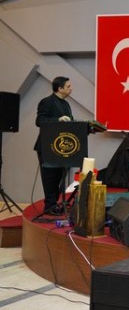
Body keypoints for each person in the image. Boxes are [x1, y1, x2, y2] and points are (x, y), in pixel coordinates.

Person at [34, 76, 74, 215]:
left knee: (58, 177)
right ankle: (49, 206)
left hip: (61, 148)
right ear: (60, 88)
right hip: (47, 147)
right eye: (68, 86)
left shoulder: (66, 104)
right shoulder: (46, 102)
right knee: (50, 177)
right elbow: (40, 121)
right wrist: (58, 119)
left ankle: (54, 203)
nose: (71, 89)